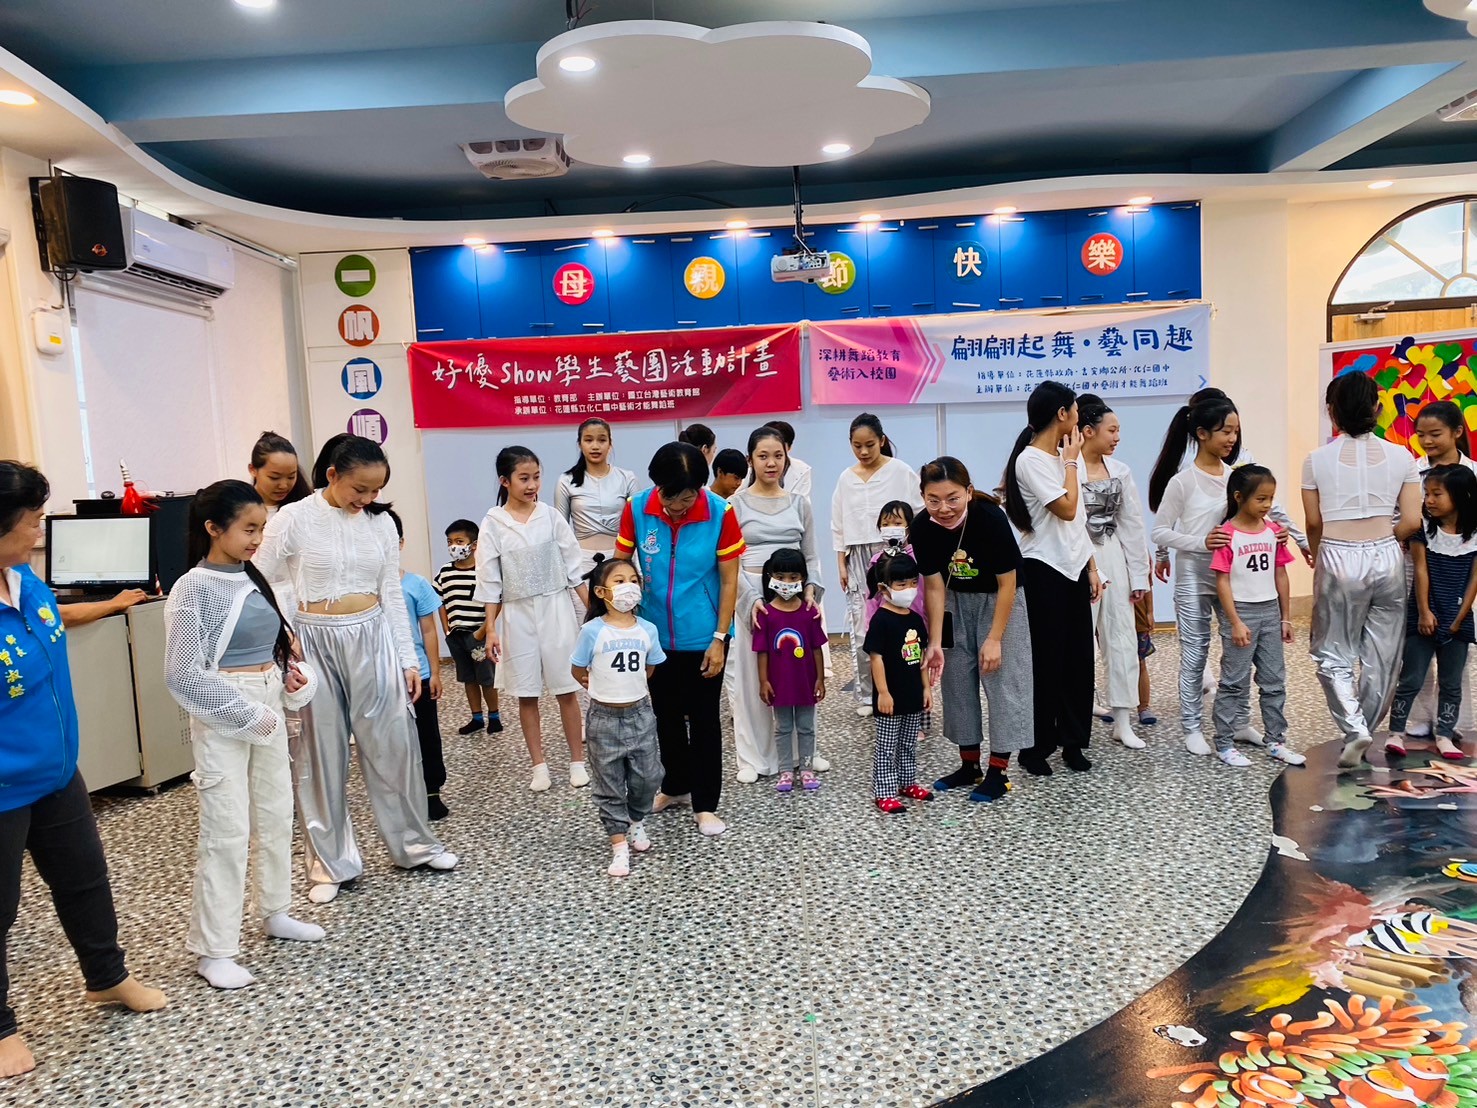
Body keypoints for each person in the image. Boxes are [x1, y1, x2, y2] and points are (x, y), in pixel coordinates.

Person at [0, 461, 166, 1078]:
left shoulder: (23, 580)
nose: (39, 533)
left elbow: (54, 617)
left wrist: (111, 604)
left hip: (56, 771)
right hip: (3, 787)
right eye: (32, 521)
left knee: (84, 881)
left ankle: (106, 977)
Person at [255, 435, 457, 905]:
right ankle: (329, 864)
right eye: (359, 489)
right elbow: (260, 577)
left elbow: (391, 592)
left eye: (376, 490)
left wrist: (408, 659)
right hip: (313, 641)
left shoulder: (381, 524)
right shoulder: (292, 519)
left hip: (373, 636)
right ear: (332, 475)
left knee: (394, 745)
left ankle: (415, 845)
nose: (367, 499)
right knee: (318, 753)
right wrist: (285, 634)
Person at [164, 480, 326, 990]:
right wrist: (249, 715)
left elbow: (280, 650)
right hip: (224, 715)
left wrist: (293, 679)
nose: (258, 539)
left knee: (277, 814)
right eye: (249, 529)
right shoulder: (193, 587)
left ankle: (276, 910)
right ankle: (214, 950)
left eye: (261, 528)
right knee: (227, 831)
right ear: (214, 528)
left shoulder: (256, 578)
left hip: (268, 702)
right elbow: (183, 674)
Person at [1148, 392, 1304, 755]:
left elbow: (1261, 516)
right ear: (1202, 434)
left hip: (1232, 581)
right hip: (1193, 577)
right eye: (1225, 431)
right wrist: (1199, 542)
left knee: (1241, 653)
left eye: (1235, 431)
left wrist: (1280, 534)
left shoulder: (1237, 477)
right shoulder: (1183, 481)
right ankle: (1191, 727)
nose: (1233, 438)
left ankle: (1240, 723)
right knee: (1195, 653)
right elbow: (1160, 531)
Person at [615, 442, 743, 837]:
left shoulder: (720, 513)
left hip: (704, 635)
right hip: (654, 633)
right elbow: (620, 566)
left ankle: (705, 804)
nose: (677, 507)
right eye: (670, 498)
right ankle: (674, 786)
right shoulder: (638, 507)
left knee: (704, 719)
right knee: (665, 716)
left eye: (687, 498)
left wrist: (719, 637)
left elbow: (729, 580)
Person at [1303, 372, 1423, 768]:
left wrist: (1321, 561)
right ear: (1376, 407)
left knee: (1332, 652)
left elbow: (1314, 522)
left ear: (1331, 411)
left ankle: (1355, 729)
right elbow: (1411, 520)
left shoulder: (1315, 460)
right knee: (1383, 655)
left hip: (1337, 554)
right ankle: (1362, 728)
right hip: (1387, 556)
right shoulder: (1402, 457)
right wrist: (1384, 540)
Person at [914, 458, 1033, 802]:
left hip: (999, 601)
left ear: (968, 492)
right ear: (922, 497)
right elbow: (934, 586)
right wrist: (934, 641)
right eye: (934, 500)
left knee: (1003, 683)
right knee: (956, 682)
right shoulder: (921, 527)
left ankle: (998, 772)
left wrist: (995, 639)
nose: (944, 508)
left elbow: (1008, 583)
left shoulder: (990, 518)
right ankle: (969, 765)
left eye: (952, 498)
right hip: (953, 602)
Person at [476, 446, 589, 793]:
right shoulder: (493, 523)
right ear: (504, 481)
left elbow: (575, 570)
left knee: (566, 689)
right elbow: (489, 581)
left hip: (556, 608)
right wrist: (491, 628)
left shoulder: (551, 517)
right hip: (517, 615)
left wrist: (596, 615)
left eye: (536, 477)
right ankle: (539, 766)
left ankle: (577, 760)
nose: (532, 485)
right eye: (523, 478)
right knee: (526, 693)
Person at [1004, 381, 1101, 775]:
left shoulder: (1064, 457)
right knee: (1046, 663)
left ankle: (1073, 743)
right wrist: (1072, 463)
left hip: (1074, 568)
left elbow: (1079, 523)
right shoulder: (1030, 460)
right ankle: (1035, 748)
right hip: (1044, 570)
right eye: (1075, 410)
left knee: (1079, 661)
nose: (1079, 417)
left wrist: (1092, 568)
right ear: (1062, 413)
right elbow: (1066, 508)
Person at [729, 426, 825, 782]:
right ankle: (755, 757)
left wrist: (811, 589)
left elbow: (811, 556)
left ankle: (804, 754)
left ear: (787, 458)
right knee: (754, 676)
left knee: (798, 673)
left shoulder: (800, 503)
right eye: (763, 456)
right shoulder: (734, 504)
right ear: (750, 460)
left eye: (778, 456)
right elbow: (730, 561)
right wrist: (752, 598)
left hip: (795, 597)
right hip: (753, 597)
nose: (771, 463)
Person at [570, 557, 666, 877]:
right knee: (608, 783)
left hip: (640, 714)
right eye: (619, 581)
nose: (629, 587)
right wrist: (597, 686)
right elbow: (577, 668)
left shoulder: (648, 629)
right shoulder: (591, 631)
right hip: (604, 718)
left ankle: (636, 819)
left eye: (633, 580)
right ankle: (619, 844)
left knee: (648, 776)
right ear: (601, 592)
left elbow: (650, 667)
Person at [1209, 466, 1306, 769]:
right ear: (1239, 497)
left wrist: (1285, 617)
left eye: (1270, 499)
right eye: (1260, 499)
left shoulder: (1274, 531)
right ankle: (1224, 743)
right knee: (1233, 682)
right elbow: (1222, 581)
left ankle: (1276, 741)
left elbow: (1281, 574)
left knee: (1274, 681)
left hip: (1270, 612)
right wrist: (1235, 622)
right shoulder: (1227, 534)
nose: (1267, 505)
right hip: (1241, 612)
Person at [831, 414, 922, 717]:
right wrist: (841, 563)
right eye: (857, 446)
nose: (864, 451)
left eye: (870, 444)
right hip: (858, 556)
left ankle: (906, 690)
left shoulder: (901, 471)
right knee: (863, 628)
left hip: (896, 557)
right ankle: (869, 694)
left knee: (902, 623)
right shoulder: (846, 478)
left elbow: (919, 514)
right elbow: (838, 524)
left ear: (882, 440)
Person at [1388, 464, 1477, 761]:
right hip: (1423, 616)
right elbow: (1421, 571)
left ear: (1461, 496)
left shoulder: (1474, 535)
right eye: (1426, 493)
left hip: (1458, 619)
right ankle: (1396, 733)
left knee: (1451, 683)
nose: (1429, 500)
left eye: (1437, 494)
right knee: (1411, 678)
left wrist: (1460, 617)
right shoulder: (1423, 530)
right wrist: (1425, 611)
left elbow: (1474, 580)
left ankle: (1445, 734)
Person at [1077, 395, 1152, 750]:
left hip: (1112, 552)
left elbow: (1132, 524)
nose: (1117, 436)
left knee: (1122, 638)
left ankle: (1123, 721)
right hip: (1076, 557)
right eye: (1112, 430)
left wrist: (1138, 576)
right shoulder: (1066, 468)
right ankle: (1075, 718)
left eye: (1118, 429)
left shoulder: (1120, 470)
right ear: (1088, 431)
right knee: (1078, 641)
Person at [1406, 400, 1477, 739]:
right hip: (1418, 565)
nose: (1427, 441)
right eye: (1421, 435)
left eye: (1435, 434)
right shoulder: (1412, 472)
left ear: (1457, 432)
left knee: (1455, 646)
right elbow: (1402, 516)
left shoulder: (1472, 472)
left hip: (1460, 569)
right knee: (1417, 646)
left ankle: (1454, 720)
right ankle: (1420, 717)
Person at [386, 509, 448, 820]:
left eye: (390, 541)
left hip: (418, 674)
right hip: (383, 677)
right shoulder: (365, 591)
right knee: (391, 738)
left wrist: (435, 672)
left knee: (426, 735)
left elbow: (429, 630)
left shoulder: (416, 584)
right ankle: (399, 792)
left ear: (400, 543)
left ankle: (431, 790)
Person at [863, 553, 934, 813]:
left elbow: (921, 657)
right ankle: (884, 792)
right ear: (884, 588)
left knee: (908, 743)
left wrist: (926, 688)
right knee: (886, 746)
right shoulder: (880, 620)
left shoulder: (915, 619)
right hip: (889, 698)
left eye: (913, 583)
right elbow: (876, 658)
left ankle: (907, 782)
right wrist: (883, 692)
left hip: (912, 694)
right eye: (901, 584)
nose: (909, 589)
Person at [753, 548, 826, 793]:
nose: (786, 582)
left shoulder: (809, 612)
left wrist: (820, 678)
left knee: (806, 727)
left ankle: (806, 768)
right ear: (771, 577)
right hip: (779, 685)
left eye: (793, 577)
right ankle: (785, 770)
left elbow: (816, 648)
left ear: (803, 578)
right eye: (781, 577)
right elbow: (762, 651)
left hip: (805, 683)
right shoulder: (765, 614)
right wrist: (763, 681)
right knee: (782, 728)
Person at [435, 519, 503, 736]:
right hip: (456, 636)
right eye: (449, 542)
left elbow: (497, 602)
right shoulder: (445, 572)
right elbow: (439, 601)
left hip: (479, 635)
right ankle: (476, 717)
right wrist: (446, 629)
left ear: (474, 545)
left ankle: (494, 716)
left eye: (459, 541)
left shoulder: (484, 572)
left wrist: (484, 630)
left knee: (486, 678)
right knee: (467, 678)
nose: (453, 546)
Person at [555, 418, 639, 584]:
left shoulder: (627, 478)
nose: (595, 446)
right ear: (579, 444)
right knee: (583, 603)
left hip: (621, 557)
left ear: (610, 444)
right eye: (588, 440)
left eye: (601, 440)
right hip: (580, 560)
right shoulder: (566, 480)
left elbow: (638, 524)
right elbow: (560, 530)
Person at [248, 430, 312, 515]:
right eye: (274, 478)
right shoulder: (239, 507)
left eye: (291, 477)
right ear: (253, 470)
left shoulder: (306, 507)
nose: (283, 486)